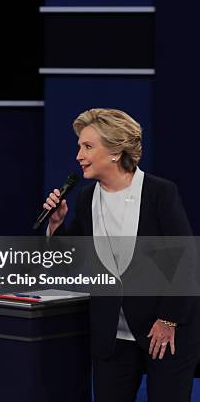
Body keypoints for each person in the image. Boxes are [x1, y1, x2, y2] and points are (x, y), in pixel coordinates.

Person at [43, 108, 200, 401]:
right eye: (79, 146)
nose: (79, 155)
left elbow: (185, 261)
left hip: (164, 332)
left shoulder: (159, 193)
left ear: (115, 152)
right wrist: (55, 225)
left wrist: (168, 320)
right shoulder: (87, 198)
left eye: (88, 146)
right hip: (112, 336)